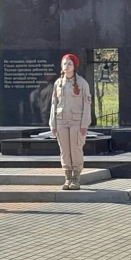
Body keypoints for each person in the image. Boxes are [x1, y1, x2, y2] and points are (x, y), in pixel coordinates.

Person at [49, 54, 92, 190]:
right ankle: (67, 178)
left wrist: (84, 124)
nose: (66, 66)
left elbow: (87, 105)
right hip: (61, 121)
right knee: (64, 150)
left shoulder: (82, 83)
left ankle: (76, 179)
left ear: (74, 67)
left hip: (77, 122)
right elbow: (54, 104)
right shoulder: (58, 83)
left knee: (76, 149)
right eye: (64, 63)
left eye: (69, 64)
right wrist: (53, 124)